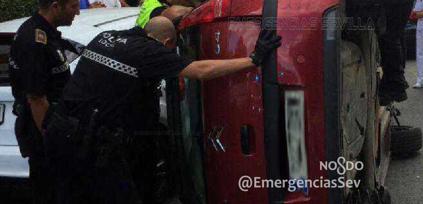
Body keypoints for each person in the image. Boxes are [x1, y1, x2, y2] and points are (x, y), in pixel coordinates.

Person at [59, 17, 281, 203]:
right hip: (93, 144)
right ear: (166, 42)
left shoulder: (106, 36)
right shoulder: (149, 52)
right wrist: (253, 59)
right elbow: (200, 70)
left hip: (64, 131)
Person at [8, 0, 81, 203]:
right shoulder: (34, 41)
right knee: (49, 190)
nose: (77, 12)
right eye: (73, 6)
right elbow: (36, 98)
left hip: (53, 124)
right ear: (55, 7)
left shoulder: (48, 33)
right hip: (43, 131)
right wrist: (51, 140)